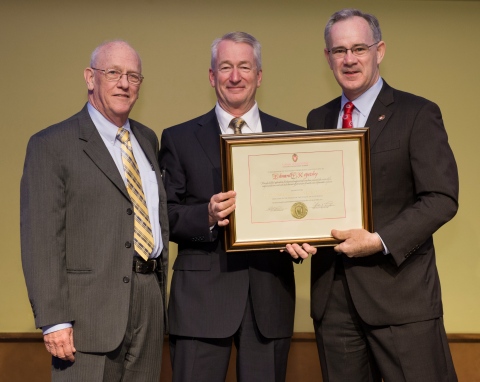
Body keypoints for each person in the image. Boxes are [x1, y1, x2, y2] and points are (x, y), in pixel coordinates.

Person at [285, 8, 459, 381]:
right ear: (327, 58)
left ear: (379, 51)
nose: (349, 59)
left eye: (359, 48)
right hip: (333, 305)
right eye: (338, 50)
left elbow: (441, 197)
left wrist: (379, 241)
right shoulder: (318, 119)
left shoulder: (418, 113)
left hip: (402, 300)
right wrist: (294, 230)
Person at [159, 31, 310, 382]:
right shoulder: (178, 138)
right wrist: (207, 216)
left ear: (259, 75)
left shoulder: (292, 137)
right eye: (225, 67)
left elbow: (302, 213)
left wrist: (303, 239)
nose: (235, 76)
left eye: (245, 67)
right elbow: (165, 216)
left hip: (269, 303)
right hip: (200, 304)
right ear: (212, 76)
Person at [20, 40, 169, 381]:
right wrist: (54, 319)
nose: (124, 82)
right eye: (113, 72)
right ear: (90, 78)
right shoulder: (51, 144)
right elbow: (42, 238)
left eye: (133, 75)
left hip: (148, 299)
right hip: (86, 314)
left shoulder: (147, 140)